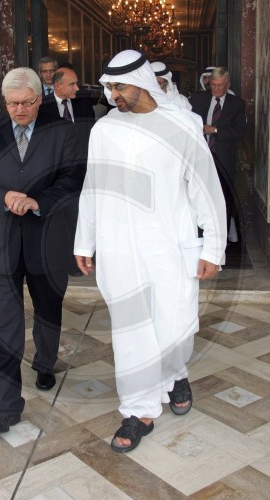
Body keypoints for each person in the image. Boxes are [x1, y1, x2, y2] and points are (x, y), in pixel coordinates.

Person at [74, 50, 227, 453]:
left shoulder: (183, 126)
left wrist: (213, 246)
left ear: (141, 82)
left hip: (169, 246)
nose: (112, 95)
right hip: (120, 247)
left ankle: (176, 373)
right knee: (132, 332)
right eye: (108, 87)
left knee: (176, 324)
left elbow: (205, 189)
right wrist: (84, 240)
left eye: (119, 86)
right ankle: (138, 410)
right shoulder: (104, 130)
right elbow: (93, 186)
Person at [0, 67, 84, 434]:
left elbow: (73, 179)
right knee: (3, 328)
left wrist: (36, 201)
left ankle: (45, 363)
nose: (19, 110)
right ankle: (5, 406)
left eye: (27, 103)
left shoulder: (61, 132)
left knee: (48, 310)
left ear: (39, 98)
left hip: (46, 239)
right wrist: (3, 197)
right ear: (5, 101)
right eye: (13, 103)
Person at [41, 66, 95, 276]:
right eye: (72, 84)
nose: (77, 87)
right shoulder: (42, 107)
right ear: (58, 86)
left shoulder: (83, 104)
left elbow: (91, 135)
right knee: (59, 219)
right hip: (55, 176)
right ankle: (61, 261)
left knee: (82, 215)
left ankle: (82, 259)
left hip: (83, 172)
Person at [189, 67, 247, 233]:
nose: (216, 89)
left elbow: (241, 130)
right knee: (199, 197)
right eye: (213, 85)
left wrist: (214, 130)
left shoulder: (237, 104)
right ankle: (200, 234)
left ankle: (222, 236)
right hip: (199, 158)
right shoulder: (197, 99)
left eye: (220, 85)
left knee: (223, 198)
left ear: (228, 84)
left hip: (224, 160)